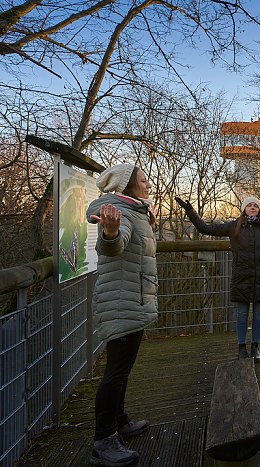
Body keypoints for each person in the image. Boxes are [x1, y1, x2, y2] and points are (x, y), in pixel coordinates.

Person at [175, 195, 260, 362]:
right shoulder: (234, 227)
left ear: (259, 209)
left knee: (258, 314)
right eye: (250, 205)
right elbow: (205, 229)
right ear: (244, 208)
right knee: (241, 314)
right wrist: (190, 210)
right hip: (241, 275)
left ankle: (255, 347)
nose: (253, 207)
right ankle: (241, 347)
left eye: (256, 205)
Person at [85, 164, 156, 466]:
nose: (148, 185)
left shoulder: (134, 210)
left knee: (122, 369)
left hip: (131, 300)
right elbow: (113, 245)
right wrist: (111, 233)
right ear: (128, 185)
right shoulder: (118, 212)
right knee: (115, 372)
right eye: (143, 180)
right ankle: (104, 440)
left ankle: (120, 419)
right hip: (121, 302)